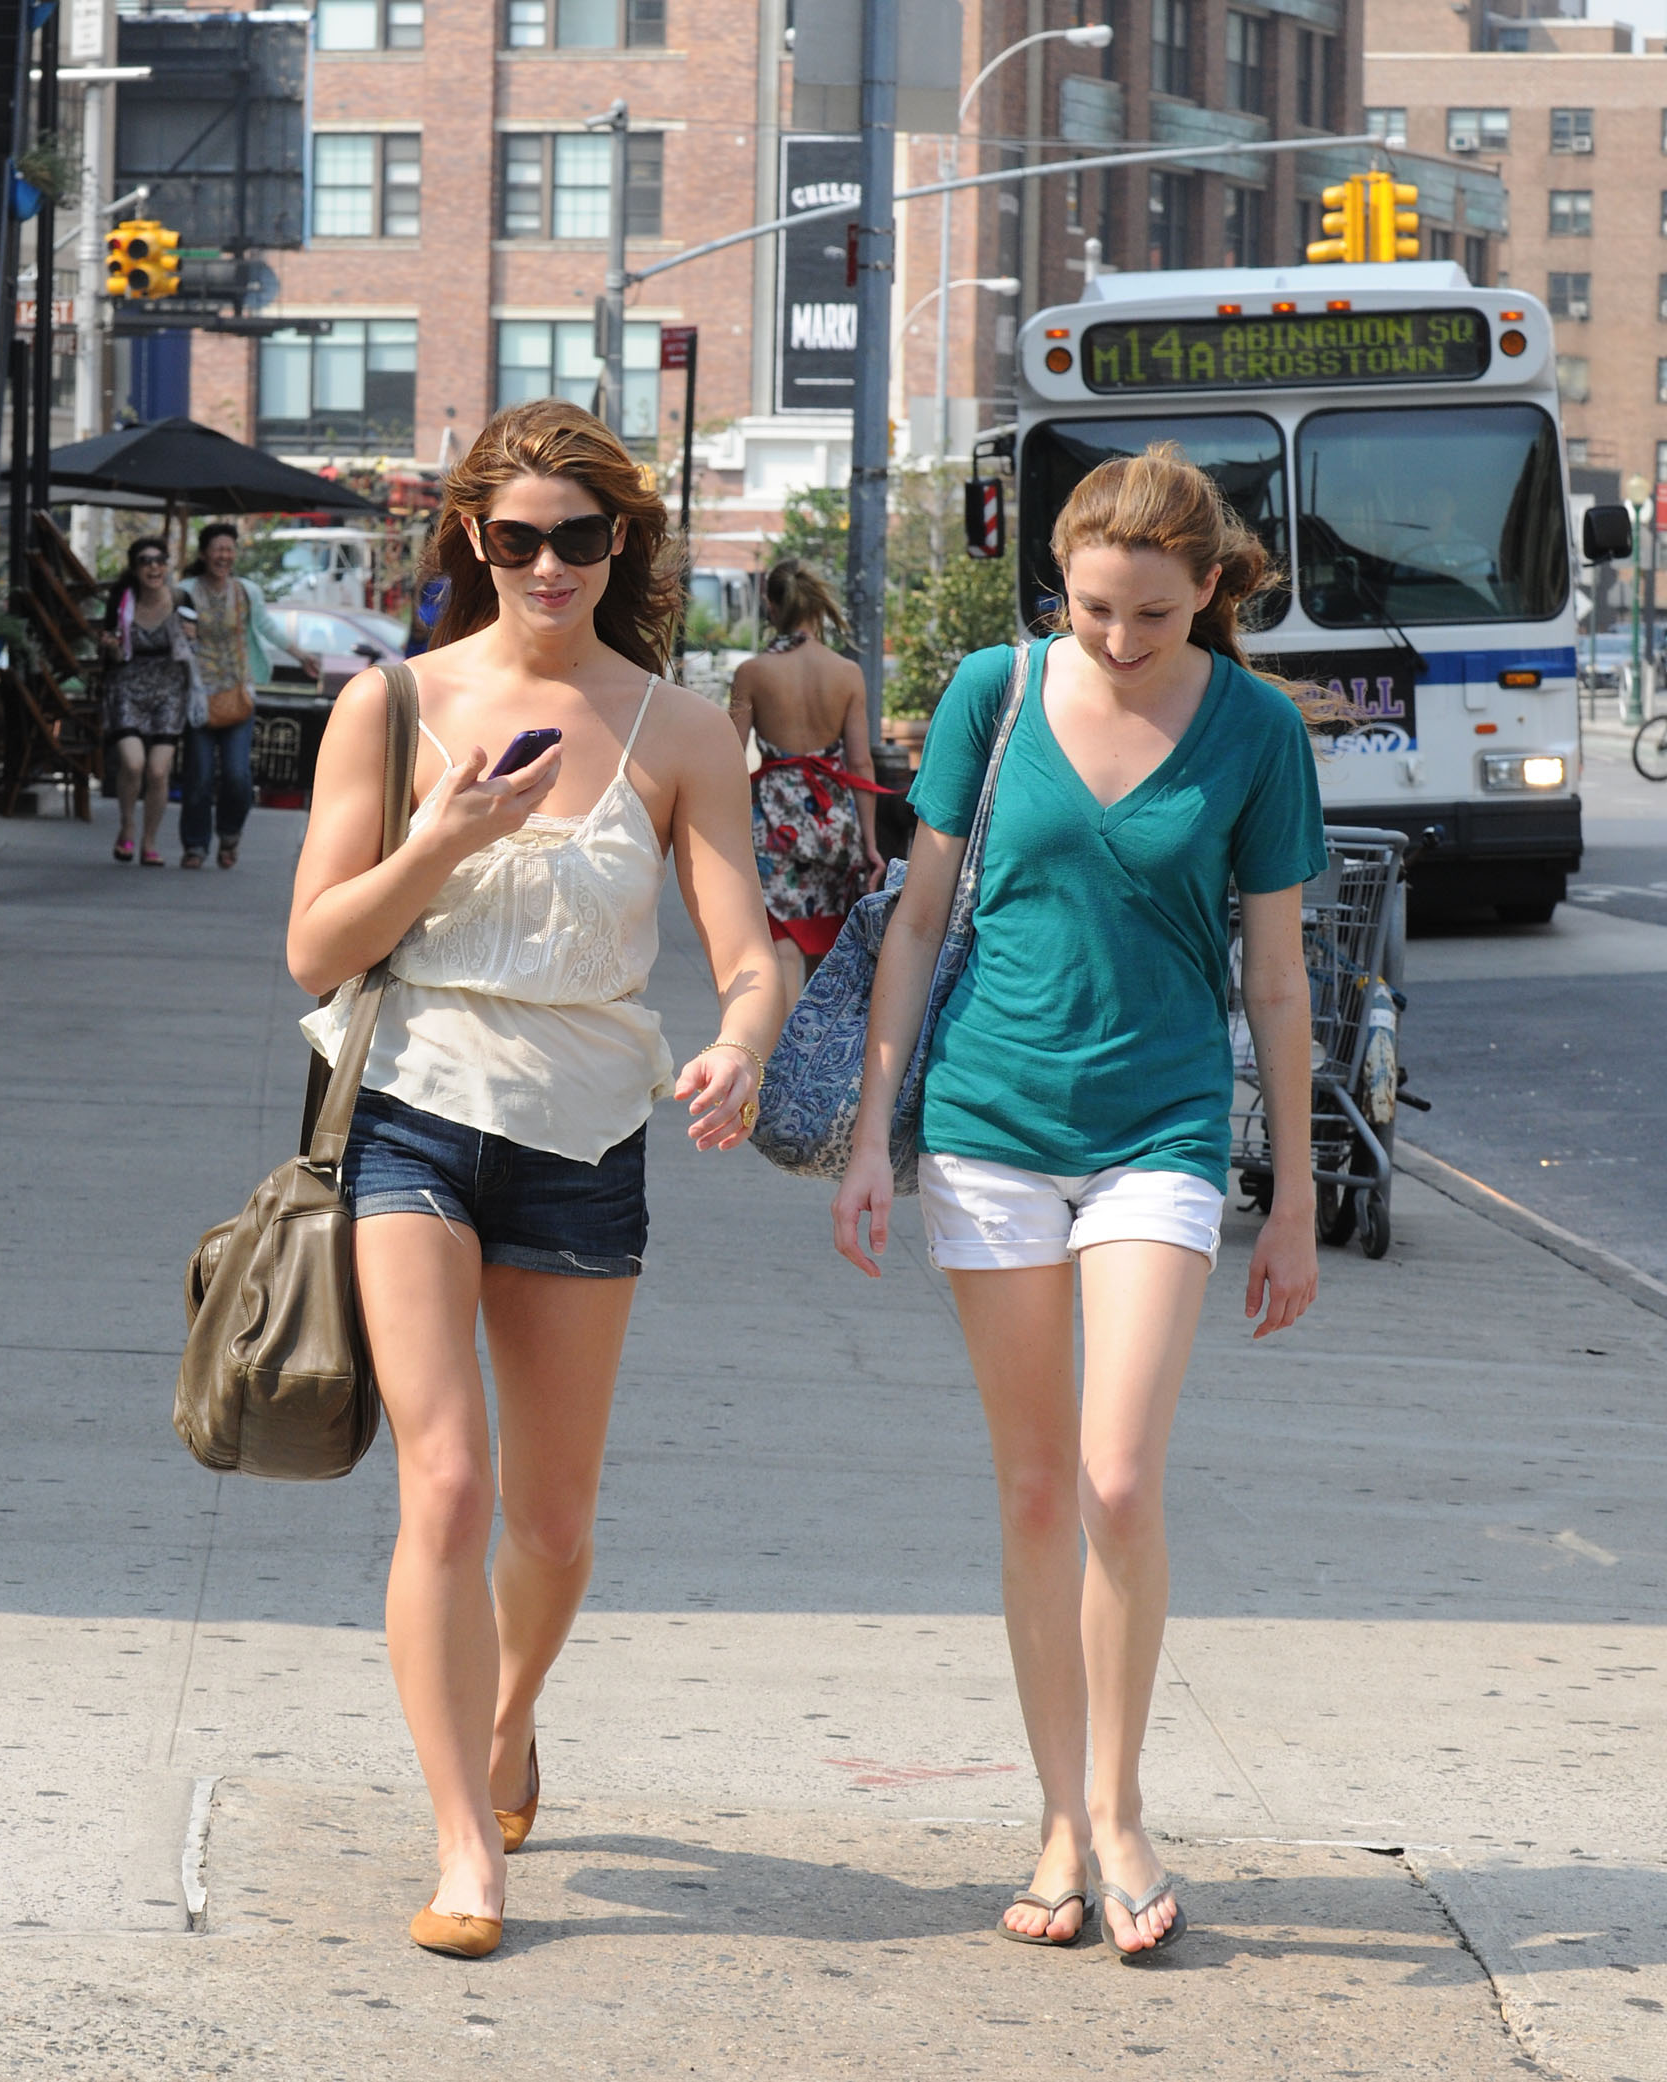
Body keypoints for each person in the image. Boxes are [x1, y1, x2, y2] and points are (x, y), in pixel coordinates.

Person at [287, 398, 785, 1959]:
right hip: (416, 1110)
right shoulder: (391, 705)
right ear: (473, 543)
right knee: (445, 1481)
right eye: (516, 538)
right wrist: (444, 838)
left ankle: (507, 1720)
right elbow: (314, 947)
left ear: (619, 542)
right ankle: (461, 1841)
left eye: (579, 536)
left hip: (588, 1136)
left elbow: (747, 953)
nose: (548, 563)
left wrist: (745, 1042)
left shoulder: (683, 729)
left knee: (554, 1528)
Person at [831, 444, 1328, 1959]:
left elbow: (1281, 972)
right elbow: (918, 920)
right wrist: (871, 1131)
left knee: (1119, 1478)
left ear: (1213, 594)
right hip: (987, 1124)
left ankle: (1121, 1803)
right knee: (1038, 1487)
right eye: (1094, 608)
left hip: (1163, 1128)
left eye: (1152, 616)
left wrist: (1295, 1188)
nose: (1117, 641)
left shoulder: (1256, 729)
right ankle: (1056, 1813)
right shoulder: (994, 692)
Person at [728, 559, 884, 1008]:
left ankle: (782, 1063)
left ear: (771, 607)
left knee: (784, 944)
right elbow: (861, 763)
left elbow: (729, 758)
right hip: (833, 820)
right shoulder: (847, 673)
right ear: (818, 608)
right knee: (832, 945)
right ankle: (824, 1064)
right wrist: (869, 844)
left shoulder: (752, 673)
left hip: (774, 824)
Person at [179, 520, 318, 870]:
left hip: (239, 694)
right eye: (217, 549)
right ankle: (195, 846)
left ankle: (229, 835)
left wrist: (301, 655)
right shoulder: (185, 591)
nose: (224, 556)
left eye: (229, 549)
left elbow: (265, 627)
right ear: (204, 554)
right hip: (199, 698)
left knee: (239, 776)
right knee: (198, 778)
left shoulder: (246, 592)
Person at [98, 536, 201, 867]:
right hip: (127, 686)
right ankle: (127, 825)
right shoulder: (122, 602)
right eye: (145, 561)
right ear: (134, 567)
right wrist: (110, 645)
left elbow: (197, 648)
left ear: (167, 565)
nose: (153, 567)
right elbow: (111, 652)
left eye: (159, 560)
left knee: (158, 770)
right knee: (133, 763)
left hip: (169, 689)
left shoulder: (181, 600)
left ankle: (149, 841)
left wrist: (192, 638)